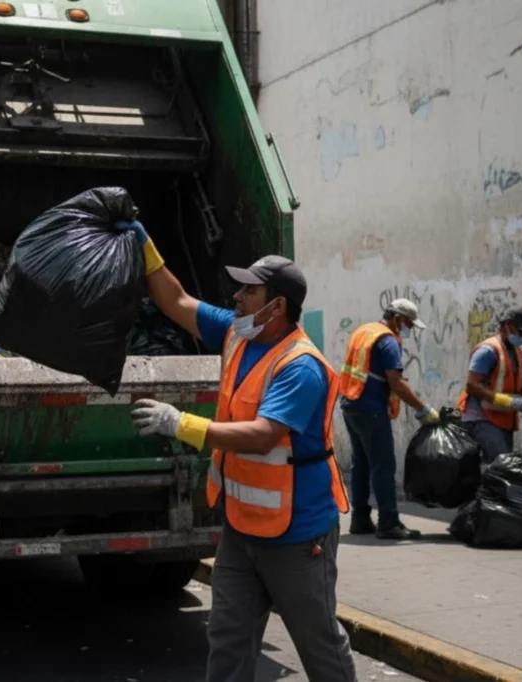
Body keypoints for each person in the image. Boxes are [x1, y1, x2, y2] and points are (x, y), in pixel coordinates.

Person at [117, 220, 357, 682]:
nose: (237, 297)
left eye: (250, 291)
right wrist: (143, 243)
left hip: (297, 535)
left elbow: (265, 434)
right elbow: (176, 301)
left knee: (319, 644)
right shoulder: (237, 334)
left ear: (277, 307)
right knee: (228, 640)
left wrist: (180, 424)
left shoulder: (300, 366)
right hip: (241, 528)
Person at [336, 299, 439, 540]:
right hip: (370, 409)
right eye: (409, 325)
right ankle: (388, 522)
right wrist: (423, 409)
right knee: (383, 466)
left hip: (351, 403)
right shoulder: (388, 341)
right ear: (398, 319)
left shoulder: (364, 331)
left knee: (361, 464)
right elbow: (396, 382)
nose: (409, 330)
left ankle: (360, 519)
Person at [456, 305, 522, 464]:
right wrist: (511, 401)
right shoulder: (488, 351)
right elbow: (472, 386)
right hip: (482, 418)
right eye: (521, 331)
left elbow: (507, 380)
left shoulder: (515, 352)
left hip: (502, 419)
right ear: (507, 326)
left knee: (502, 468)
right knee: (502, 466)